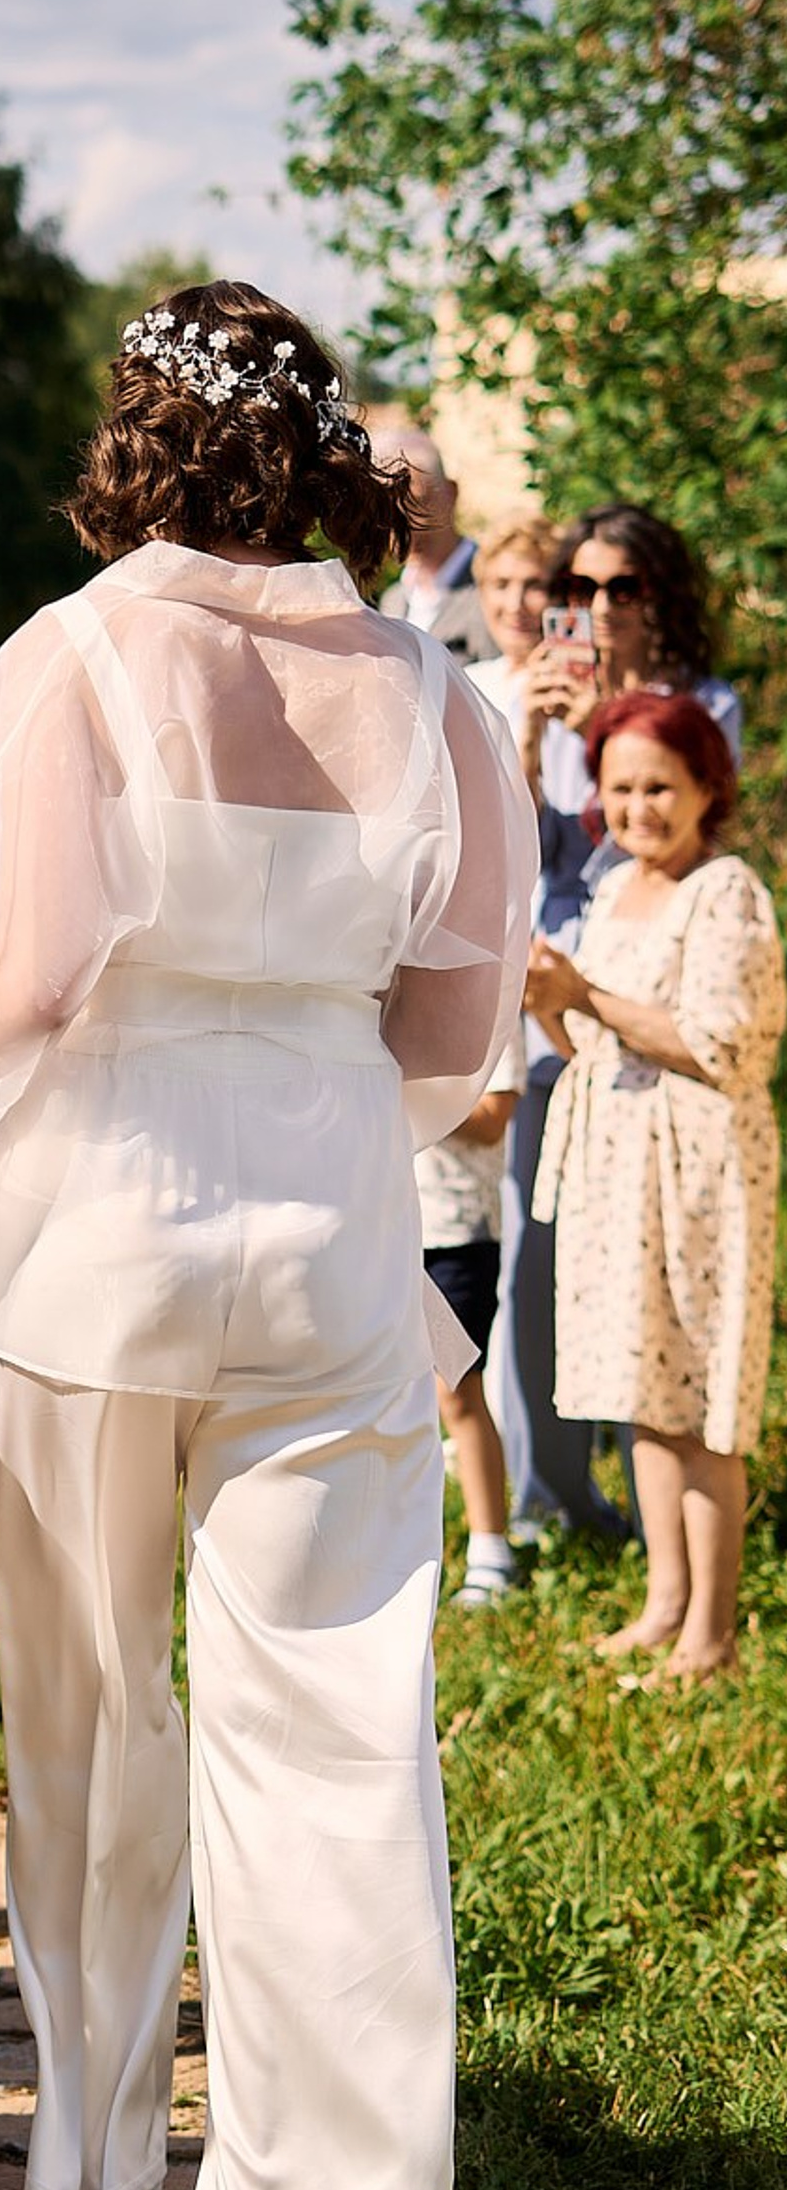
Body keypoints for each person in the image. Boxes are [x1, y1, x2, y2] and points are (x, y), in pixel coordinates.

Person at [0, 284, 532, 2190]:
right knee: (330, 1750)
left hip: (88, 1259)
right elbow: (455, 1037)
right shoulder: (430, 694)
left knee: (88, 1718)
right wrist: (296, 1101)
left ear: (135, 445)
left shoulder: (66, 661)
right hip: (325, 1252)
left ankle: (98, 2158)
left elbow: (20, 984)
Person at [525, 691, 781, 1683]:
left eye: (660, 788)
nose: (639, 808)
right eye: (622, 787)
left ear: (705, 786)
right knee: (640, 1386)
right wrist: (554, 1004)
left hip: (697, 1173)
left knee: (701, 1394)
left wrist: (582, 992)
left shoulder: (726, 893)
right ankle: (661, 1600)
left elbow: (720, 1043)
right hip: (615, 1167)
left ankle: (711, 1631)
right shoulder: (615, 885)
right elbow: (590, 1042)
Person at [499, 503, 740, 1544]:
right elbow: (507, 855)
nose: (596, 609)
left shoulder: (699, 708)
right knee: (535, 1253)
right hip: (547, 1000)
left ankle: (659, 1505)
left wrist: (608, 721)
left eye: (620, 588)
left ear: (658, 595)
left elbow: (653, 847)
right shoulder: (536, 703)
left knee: (642, 1263)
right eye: (577, 590)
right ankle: (550, 1494)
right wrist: (529, 733)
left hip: (637, 1005)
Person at [421, 1035, 525, 1607]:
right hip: (386, 1217)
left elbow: (491, 1121)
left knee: (457, 1392)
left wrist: (406, 1080)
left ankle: (492, 1551)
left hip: (456, 1230)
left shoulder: (494, 1012)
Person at [373, 424, 490, 661]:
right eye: (381, 504)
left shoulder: (495, 591)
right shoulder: (394, 600)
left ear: (450, 493)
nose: (394, 517)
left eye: (411, 502)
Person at [461, 515, 554, 741]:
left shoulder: (573, 693)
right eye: (501, 585)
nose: (515, 605)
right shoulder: (467, 683)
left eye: (534, 586)